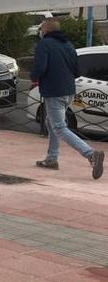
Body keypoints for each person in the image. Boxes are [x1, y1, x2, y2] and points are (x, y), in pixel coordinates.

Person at [30, 18, 103, 179]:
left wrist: (34, 76)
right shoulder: (69, 46)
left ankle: (91, 155)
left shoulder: (44, 44)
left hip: (54, 91)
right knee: (51, 122)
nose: (40, 32)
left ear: (46, 30)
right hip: (69, 91)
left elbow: (39, 67)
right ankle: (51, 159)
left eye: (41, 29)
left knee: (59, 127)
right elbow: (77, 71)